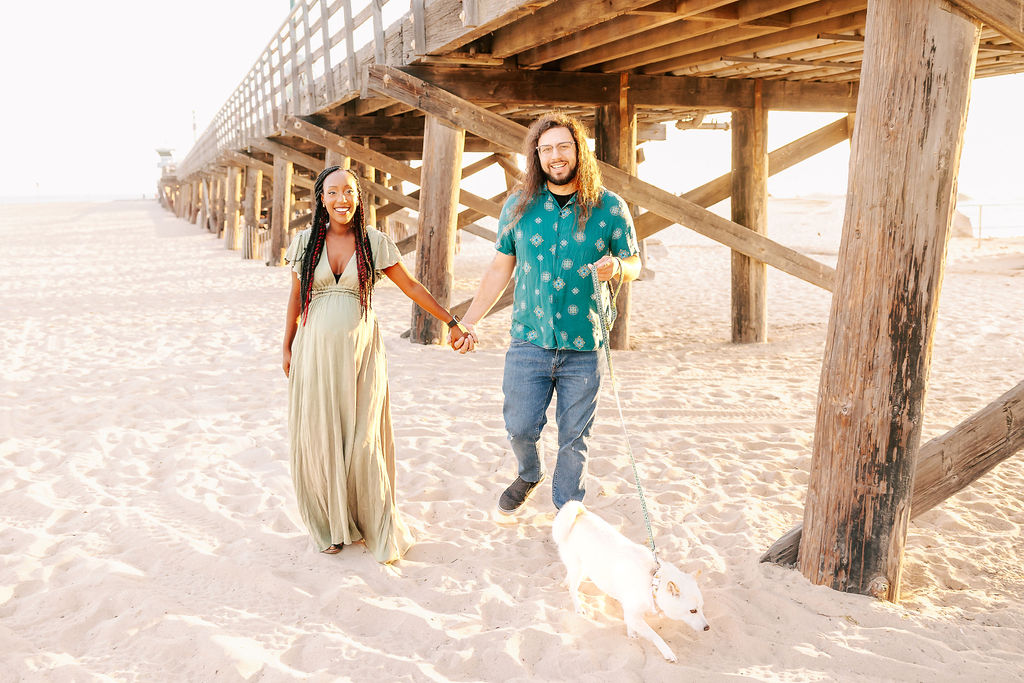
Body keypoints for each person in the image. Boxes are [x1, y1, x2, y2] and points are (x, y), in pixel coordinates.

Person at [455, 113, 641, 514]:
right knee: (520, 427)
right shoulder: (518, 206)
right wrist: (469, 321)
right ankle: (529, 472)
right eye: (547, 149)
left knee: (575, 438)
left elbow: (634, 262)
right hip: (529, 340)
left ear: (579, 152)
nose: (556, 156)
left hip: (585, 344)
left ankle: (568, 514)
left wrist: (618, 268)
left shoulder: (609, 207)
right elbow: (499, 268)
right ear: (536, 156)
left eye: (564, 147)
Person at [282, 165, 470, 563]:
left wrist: (451, 321)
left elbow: (412, 286)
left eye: (349, 191)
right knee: (320, 436)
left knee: (363, 439)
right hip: (314, 352)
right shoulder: (304, 243)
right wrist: (287, 346)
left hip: (362, 355)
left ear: (358, 196)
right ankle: (330, 526)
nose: (341, 199)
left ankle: (370, 521)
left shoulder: (372, 242)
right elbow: (296, 298)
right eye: (333, 192)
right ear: (320, 198)